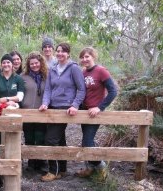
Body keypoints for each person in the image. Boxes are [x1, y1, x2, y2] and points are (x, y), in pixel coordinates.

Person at [39, 42, 86, 182]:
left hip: (65, 109)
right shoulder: (53, 69)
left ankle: (54, 171)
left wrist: (75, 105)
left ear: (68, 54)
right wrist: (45, 103)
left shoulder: (74, 68)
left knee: (50, 139)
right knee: (59, 139)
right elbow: (48, 89)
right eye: (58, 51)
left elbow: (81, 89)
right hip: (52, 107)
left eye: (63, 51)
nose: (60, 53)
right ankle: (63, 169)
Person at [75, 47, 117, 181]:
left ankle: (101, 167)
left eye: (87, 56)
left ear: (93, 56)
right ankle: (90, 168)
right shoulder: (83, 73)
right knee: (87, 140)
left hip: (95, 113)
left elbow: (113, 91)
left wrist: (100, 107)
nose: (84, 59)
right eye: (82, 57)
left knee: (87, 142)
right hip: (85, 112)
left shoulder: (101, 71)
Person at [0, 54, 25, 149]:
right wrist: (0, 101)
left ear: (12, 64)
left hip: (13, 110)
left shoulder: (18, 78)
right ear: (1, 65)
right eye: (4, 62)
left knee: (13, 132)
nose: (6, 64)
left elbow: (20, 96)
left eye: (8, 62)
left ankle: (13, 156)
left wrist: (8, 100)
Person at [21, 51, 48, 172]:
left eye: (36, 63)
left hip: (42, 112)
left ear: (41, 63)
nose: (34, 65)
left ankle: (41, 162)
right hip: (27, 112)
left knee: (40, 137)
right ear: (28, 64)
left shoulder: (46, 76)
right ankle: (31, 162)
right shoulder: (23, 77)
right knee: (29, 138)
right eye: (31, 64)